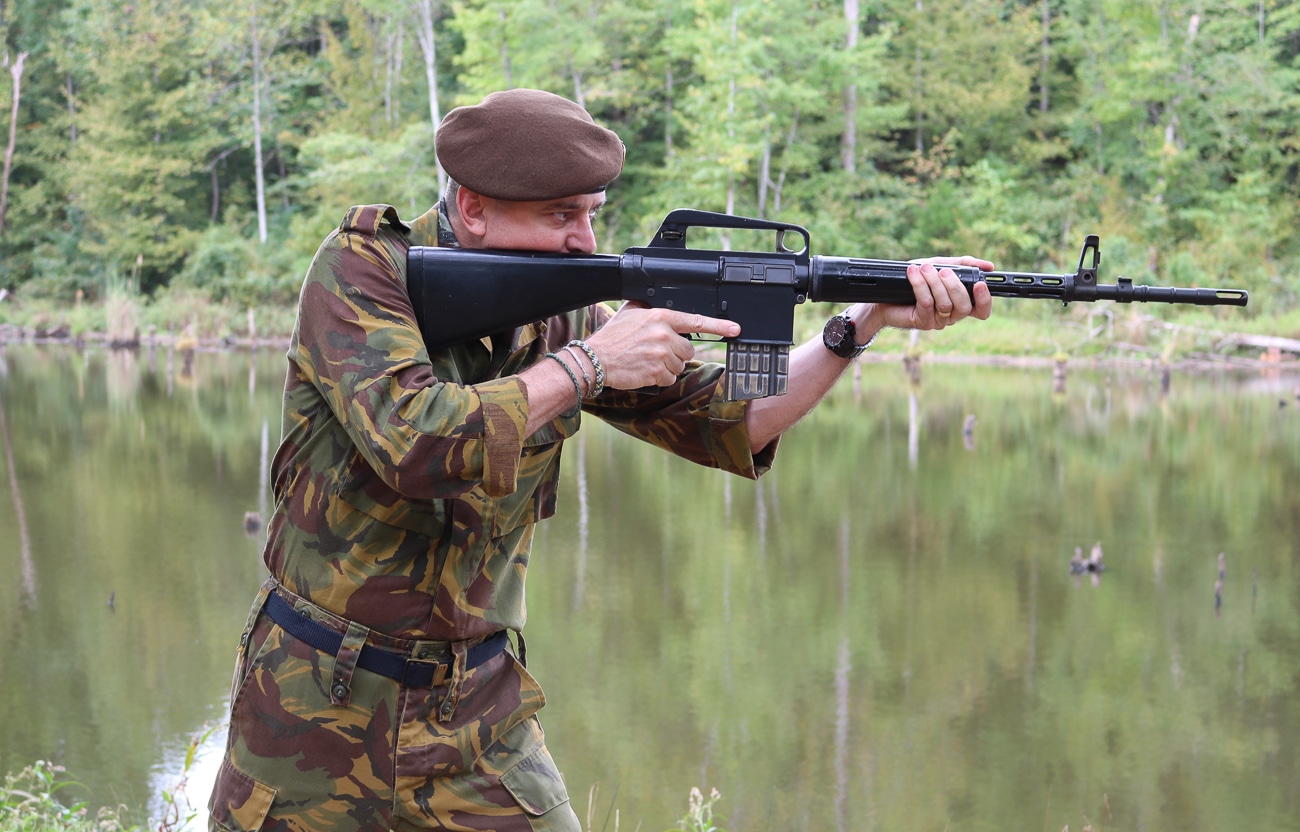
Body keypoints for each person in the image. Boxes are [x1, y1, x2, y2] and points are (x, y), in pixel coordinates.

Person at [207, 88, 993, 832]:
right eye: (560, 216)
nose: (585, 241)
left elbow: (731, 421)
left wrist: (862, 322)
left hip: (475, 707)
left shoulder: (563, 309)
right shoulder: (362, 270)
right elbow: (416, 440)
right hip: (312, 703)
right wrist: (587, 365)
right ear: (473, 208)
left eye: (591, 215)